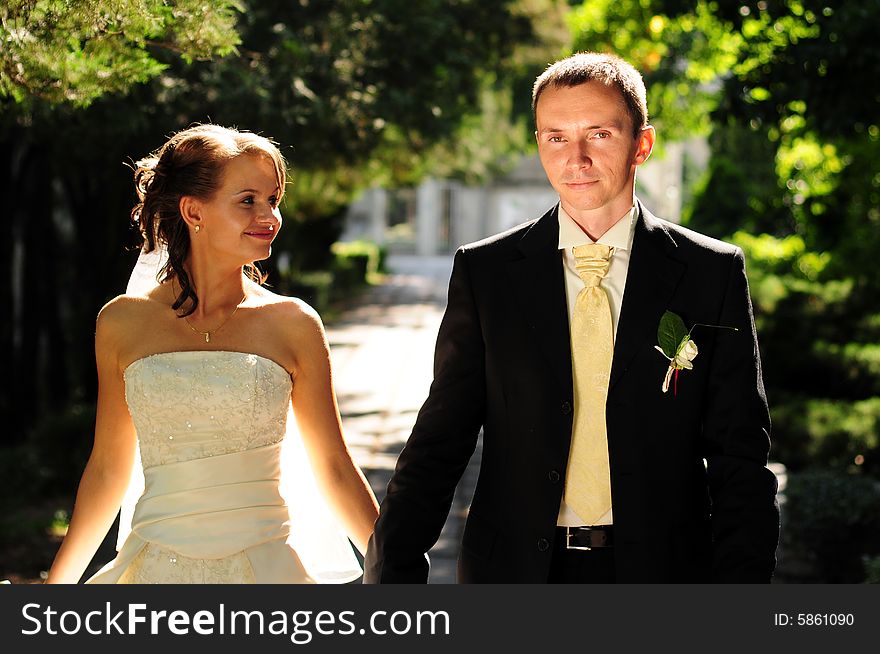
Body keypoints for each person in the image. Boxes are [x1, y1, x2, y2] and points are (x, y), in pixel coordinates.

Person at [364, 52, 779, 583]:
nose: (575, 158)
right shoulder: (486, 271)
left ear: (641, 145)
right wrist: (392, 575)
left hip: (665, 573)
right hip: (512, 574)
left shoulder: (710, 273)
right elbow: (440, 439)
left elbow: (739, 457)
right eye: (556, 136)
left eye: (599, 134)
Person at [46, 124, 379, 584]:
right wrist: (55, 589)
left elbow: (334, 468)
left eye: (273, 200)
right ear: (192, 211)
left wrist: (394, 568)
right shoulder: (122, 323)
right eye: (248, 200)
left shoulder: (294, 323)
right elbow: (107, 470)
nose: (269, 216)